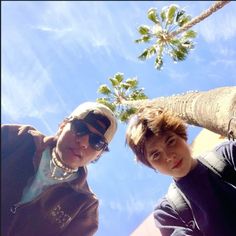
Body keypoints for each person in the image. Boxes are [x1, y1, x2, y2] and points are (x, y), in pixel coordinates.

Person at [1, 102, 117, 236]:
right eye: (80, 128)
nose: (84, 143)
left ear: (100, 153)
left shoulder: (85, 206)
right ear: (63, 125)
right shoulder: (20, 137)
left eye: (97, 142)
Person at [125, 106, 236, 236]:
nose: (169, 156)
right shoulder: (167, 211)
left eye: (170, 141)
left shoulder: (227, 153)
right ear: (151, 165)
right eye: (156, 155)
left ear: (182, 136)